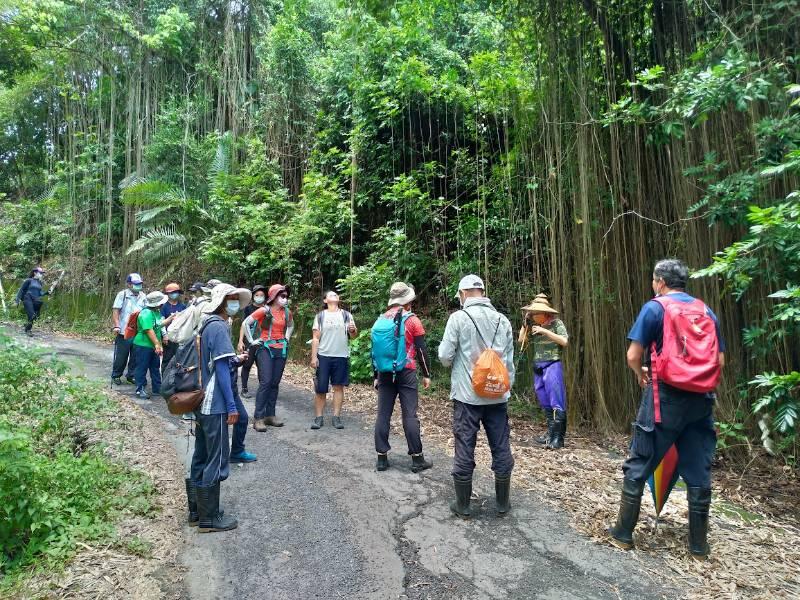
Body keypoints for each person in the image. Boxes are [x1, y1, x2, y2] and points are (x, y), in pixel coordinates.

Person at [608, 259, 725, 558]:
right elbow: (720, 362)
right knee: (698, 470)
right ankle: (699, 546)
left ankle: (623, 534)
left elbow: (633, 355)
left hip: (665, 398)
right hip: (701, 401)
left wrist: (640, 373)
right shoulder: (706, 311)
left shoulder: (655, 307)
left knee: (641, 461)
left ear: (660, 281)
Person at [438, 275, 515, 518]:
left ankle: (463, 506)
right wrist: (504, 388)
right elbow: (509, 363)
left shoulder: (458, 318)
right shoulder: (502, 320)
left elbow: (444, 356)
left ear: (462, 294)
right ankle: (502, 503)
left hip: (467, 396)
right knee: (501, 446)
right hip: (497, 397)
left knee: (465, 446)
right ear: (483, 292)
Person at [188, 283, 253, 533]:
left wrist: (234, 360)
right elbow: (223, 373)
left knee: (201, 456)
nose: (235, 303)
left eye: (237, 298)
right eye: (232, 299)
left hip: (201, 403)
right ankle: (209, 518)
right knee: (215, 459)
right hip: (214, 404)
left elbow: (218, 364)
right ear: (222, 302)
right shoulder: (219, 327)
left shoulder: (207, 325)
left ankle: (196, 511)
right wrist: (231, 406)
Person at [372, 282, 433, 473]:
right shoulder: (412, 320)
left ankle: (382, 458)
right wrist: (427, 374)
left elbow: (374, 351)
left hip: (384, 372)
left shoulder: (380, 319)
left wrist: (375, 375)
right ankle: (417, 459)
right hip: (406, 371)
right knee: (409, 415)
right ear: (407, 301)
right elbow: (421, 350)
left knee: (383, 414)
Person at [519, 294, 569, 449]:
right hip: (538, 366)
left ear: (545, 313)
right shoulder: (533, 326)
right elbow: (521, 341)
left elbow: (564, 341)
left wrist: (545, 331)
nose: (533, 316)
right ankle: (550, 434)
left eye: (535, 314)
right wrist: (525, 323)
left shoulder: (556, 323)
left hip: (552, 365)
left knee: (556, 401)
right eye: (531, 314)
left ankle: (558, 439)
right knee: (545, 401)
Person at [242, 284, 295, 431]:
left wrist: (287, 337)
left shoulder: (286, 312)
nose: (285, 299)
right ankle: (258, 418)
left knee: (275, 383)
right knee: (266, 382)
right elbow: (246, 322)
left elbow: (291, 325)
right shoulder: (264, 310)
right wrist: (252, 341)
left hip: (281, 349)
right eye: (282, 296)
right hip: (265, 348)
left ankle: (270, 415)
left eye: (286, 296)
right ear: (274, 296)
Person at [310, 291, 358, 429]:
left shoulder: (346, 315)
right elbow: (315, 338)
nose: (334, 296)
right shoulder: (320, 316)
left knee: (338, 387)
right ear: (325, 300)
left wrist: (353, 330)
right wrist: (314, 357)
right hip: (323, 355)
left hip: (341, 356)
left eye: (336, 295)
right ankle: (319, 418)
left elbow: (354, 336)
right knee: (321, 389)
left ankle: (336, 417)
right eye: (330, 295)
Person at [111, 273, 147, 385]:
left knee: (135, 356)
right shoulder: (123, 294)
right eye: (135, 284)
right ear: (129, 284)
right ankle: (116, 375)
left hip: (138, 331)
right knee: (121, 356)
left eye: (139, 284)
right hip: (124, 331)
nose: (138, 286)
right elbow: (116, 310)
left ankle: (131, 376)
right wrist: (117, 325)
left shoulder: (143, 296)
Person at [132, 291, 167, 399]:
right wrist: (157, 344)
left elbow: (157, 325)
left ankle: (157, 388)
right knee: (142, 367)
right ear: (157, 304)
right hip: (143, 345)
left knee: (155, 367)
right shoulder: (146, 313)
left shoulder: (156, 312)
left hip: (153, 345)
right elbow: (149, 330)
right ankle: (140, 389)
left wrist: (169, 320)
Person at [236, 284, 266, 398]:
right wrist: (240, 341)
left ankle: (262, 390)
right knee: (247, 365)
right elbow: (243, 325)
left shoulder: (267, 309)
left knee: (262, 366)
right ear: (253, 296)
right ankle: (244, 389)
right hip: (249, 341)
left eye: (261, 295)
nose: (259, 297)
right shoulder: (248, 309)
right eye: (257, 295)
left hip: (263, 342)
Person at [15, 266, 49, 336]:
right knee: (32, 315)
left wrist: (46, 293)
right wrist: (17, 300)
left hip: (35, 300)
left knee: (34, 316)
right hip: (27, 299)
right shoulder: (28, 280)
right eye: (40, 273)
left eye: (42, 273)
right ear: (35, 273)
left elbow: (40, 293)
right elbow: (21, 290)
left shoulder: (40, 283)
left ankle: (27, 325)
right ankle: (28, 330)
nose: (41, 275)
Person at [160, 283, 187, 370]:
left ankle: (176, 380)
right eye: (172, 292)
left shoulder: (182, 306)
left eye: (176, 292)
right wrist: (164, 335)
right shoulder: (164, 307)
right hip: (168, 337)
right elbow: (161, 322)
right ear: (168, 294)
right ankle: (164, 378)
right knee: (167, 359)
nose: (174, 294)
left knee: (180, 359)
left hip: (180, 337)